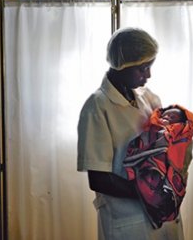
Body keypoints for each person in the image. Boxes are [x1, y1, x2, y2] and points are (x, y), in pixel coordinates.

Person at [77, 27, 184, 240]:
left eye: (150, 67)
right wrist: (150, 194)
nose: (149, 75)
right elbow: (98, 179)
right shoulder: (98, 107)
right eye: (143, 69)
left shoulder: (149, 98)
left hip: (161, 215)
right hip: (128, 219)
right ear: (121, 66)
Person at [123, 105, 193, 229]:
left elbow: (181, 155)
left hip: (169, 170)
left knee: (166, 189)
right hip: (151, 165)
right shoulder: (152, 129)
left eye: (173, 117)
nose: (167, 117)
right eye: (165, 115)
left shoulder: (181, 133)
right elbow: (142, 142)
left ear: (182, 123)